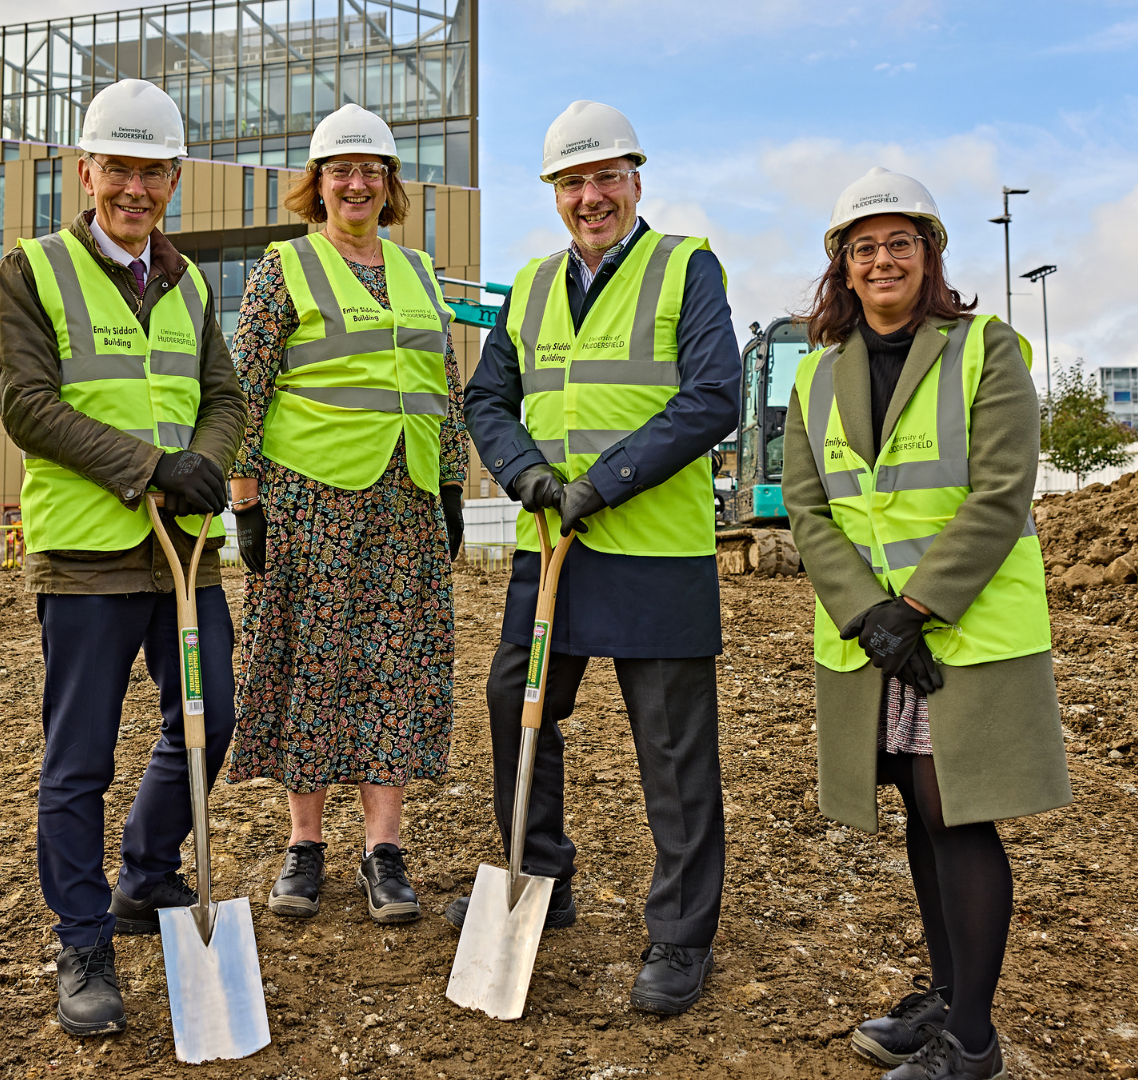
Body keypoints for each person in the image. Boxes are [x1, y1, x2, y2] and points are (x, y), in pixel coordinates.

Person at [783, 167, 1072, 1080]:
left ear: (930, 253)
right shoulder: (815, 374)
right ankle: (950, 998)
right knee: (919, 809)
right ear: (843, 265)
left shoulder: (986, 348)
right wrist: (870, 612)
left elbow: (1000, 492)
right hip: (876, 639)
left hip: (966, 628)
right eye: (863, 247)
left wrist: (914, 608)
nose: (882, 260)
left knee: (959, 817)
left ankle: (973, 1042)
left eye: (899, 242)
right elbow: (807, 508)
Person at [456, 101, 740, 1014]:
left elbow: (711, 398)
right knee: (520, 704)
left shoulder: (686, 267)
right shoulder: (533, 287)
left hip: (654, 554)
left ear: (635, 182)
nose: (591, 196)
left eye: (605, 178)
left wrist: (605, 482)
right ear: (554, 194)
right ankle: (540, 874)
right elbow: (487, 401)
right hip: (554, 551)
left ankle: (681, 934)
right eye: (573, 183)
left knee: (673, 752)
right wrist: (529, 475)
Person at [0, 78, 245, 1037]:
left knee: (212, 718)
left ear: (173, 178)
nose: (135, 188)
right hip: (89, 554)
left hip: (185, 552)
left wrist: (205, 467)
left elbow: (221, 396)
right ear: (86, 171)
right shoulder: (34, 269)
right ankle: (84, 939)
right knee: (78, 758)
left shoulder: (189, 282)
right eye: (119, 168)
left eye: (153, 171)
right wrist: (150, 468)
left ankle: (145, 874)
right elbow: (27, 406)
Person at [222, 103, 467, 925]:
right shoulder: (283, 268)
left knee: (393, 666)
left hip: (406, 500)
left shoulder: (421, 272)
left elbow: (446, 387)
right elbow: (244, 390)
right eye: (341, 170)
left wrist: (455, 484)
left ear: (389, 184)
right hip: (310, 500)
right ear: (317, 185)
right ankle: (304, 844)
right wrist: (245, 500)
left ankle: (384, 849)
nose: (357, 183)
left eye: (371, 170)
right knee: (312, 662)